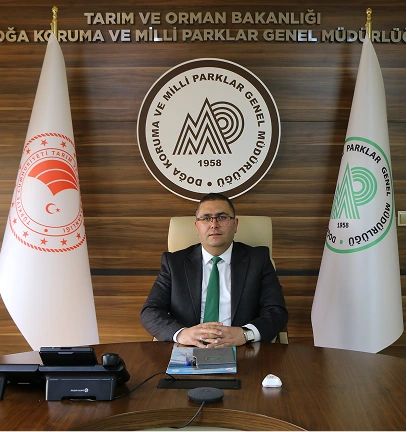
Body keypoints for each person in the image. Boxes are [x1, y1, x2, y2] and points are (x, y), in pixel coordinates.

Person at [140, 193, 288, 348]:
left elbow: (276, 311)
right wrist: (182, 334)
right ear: (197, 227)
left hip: (242, 347)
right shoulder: (174, 263)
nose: (214, 224)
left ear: (235, 224)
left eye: (222, 217)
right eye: (206, 218)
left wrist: (246, 334)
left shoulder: (258, 260)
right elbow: (150, 311)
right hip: (188, 349)